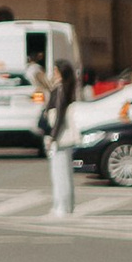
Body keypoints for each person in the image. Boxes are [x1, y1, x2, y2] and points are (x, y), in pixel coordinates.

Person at [42, 58, 77, 217]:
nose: (54, 74)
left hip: (60, 137)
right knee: (64, 173)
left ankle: (62, 206)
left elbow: (59, 114)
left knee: (60, 174)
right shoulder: (65, 88)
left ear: (62, 73)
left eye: (56, 71)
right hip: (61, 136)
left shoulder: (61, 89)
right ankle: (65, 205)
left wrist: (52, 137)